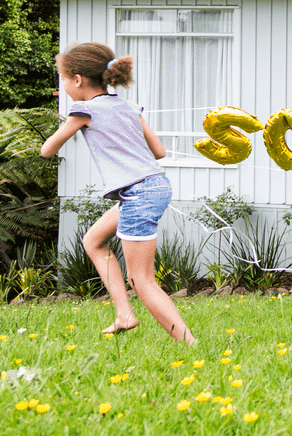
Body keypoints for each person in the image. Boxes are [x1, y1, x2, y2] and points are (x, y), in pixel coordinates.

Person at [40, 42, 197, 345]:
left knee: (141, 280)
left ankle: (190, 345)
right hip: (153, 185)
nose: (63, 85)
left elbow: (48, 149)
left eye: (63, 78)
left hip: (138, 193)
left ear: (77, 80)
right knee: (94, 241)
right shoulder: (127, 106)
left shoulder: (83, 109)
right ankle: (124, 313)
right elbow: (159, 151)